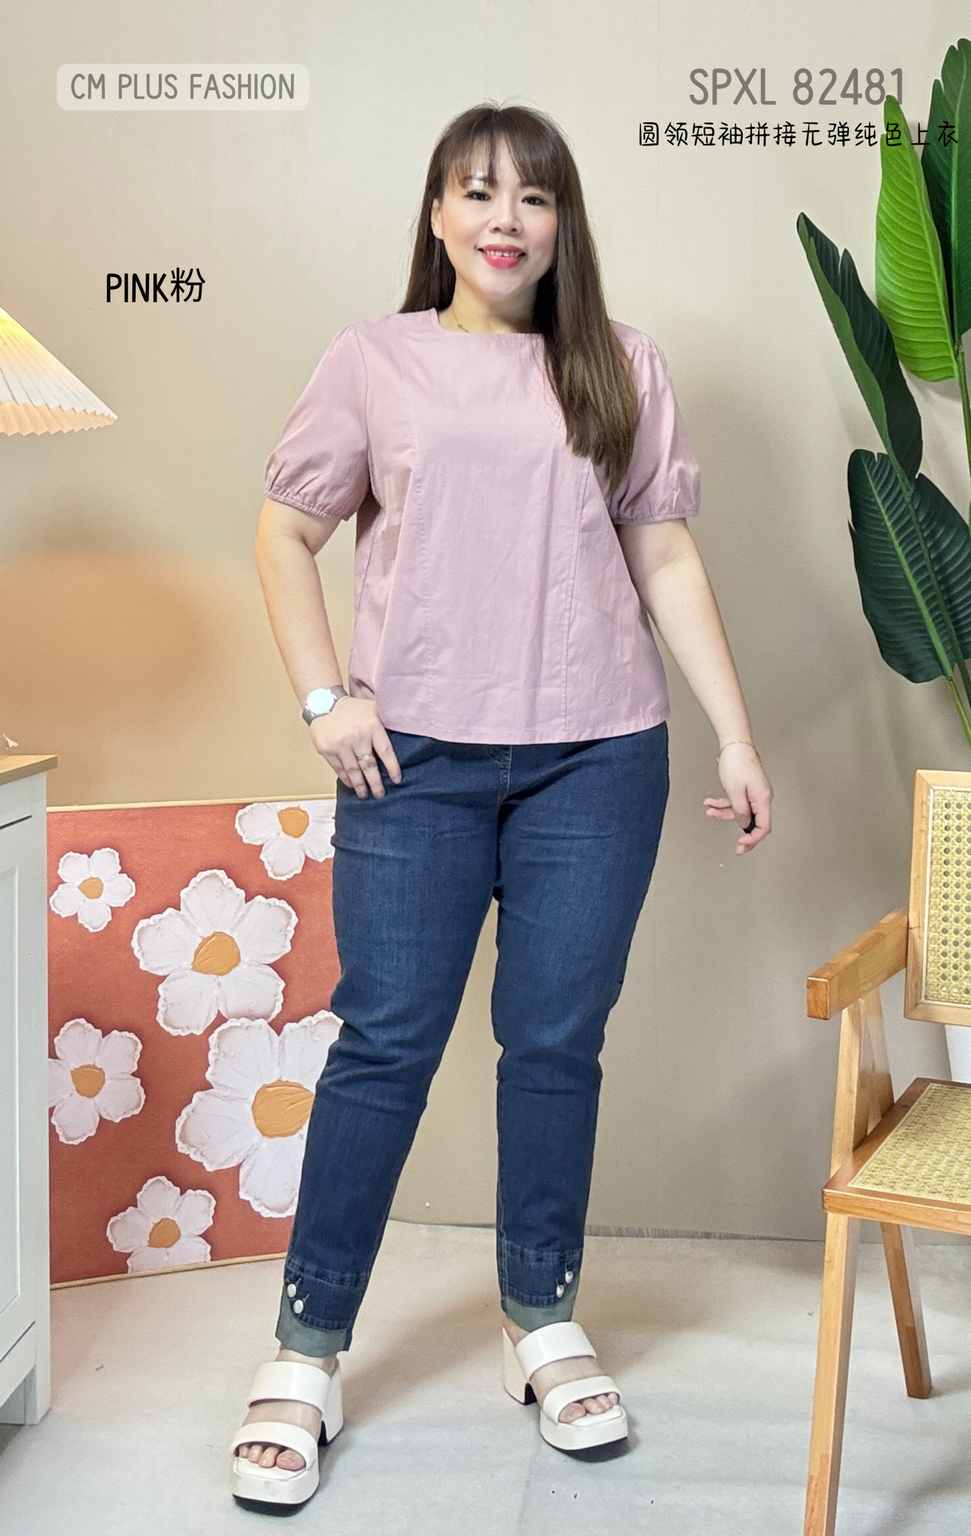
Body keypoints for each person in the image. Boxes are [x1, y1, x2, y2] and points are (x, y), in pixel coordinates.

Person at [231, 100, 773, 1509]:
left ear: (562, 222)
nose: (505, 219)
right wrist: (324, 698)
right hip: (411, 761)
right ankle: (306, 1350)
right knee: (386, 1043)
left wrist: (734, 736)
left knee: (553, 1046)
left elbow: (664, 559)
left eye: (533, 197)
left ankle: (542, 1319)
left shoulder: (620, 365)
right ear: (436, 215)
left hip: (600, 756)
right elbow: (286, 532)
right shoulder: (375, 360)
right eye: (477, 192)